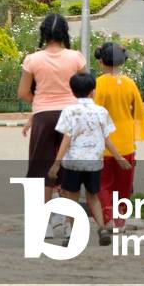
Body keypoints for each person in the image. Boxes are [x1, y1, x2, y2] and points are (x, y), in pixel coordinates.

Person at [49, 72, 131, 247]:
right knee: (93, 196)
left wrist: (56, 162)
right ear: (93, 91)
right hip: (94, 162)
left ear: (72, 91)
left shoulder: (69, 111)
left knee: (71, 197)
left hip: (73, 162)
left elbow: (66, 138)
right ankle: (101, 228)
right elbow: (107, 138)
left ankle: (73, 235)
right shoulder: (101, 112)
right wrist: (119, 158)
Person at [17, 13, 87, 204]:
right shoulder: (76, 58)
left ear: (44, 34)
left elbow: (23, 92)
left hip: (43, 116)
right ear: (65, 33)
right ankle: (67, 220)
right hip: (71, 115)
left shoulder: (32, 60)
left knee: (42, 169)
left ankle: (43, 221)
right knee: (69, 168)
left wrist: (39, 102)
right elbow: (88, 88)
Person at [94, 42, 144, 231]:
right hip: (126, 142)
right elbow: (139, 111)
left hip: (104, 144)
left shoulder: (99, 84)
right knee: (123, 186)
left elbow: (95, 114)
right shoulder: (130, 83)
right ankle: (120, 222)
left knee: (102, 184)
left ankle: (107, 219)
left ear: (101, 61)